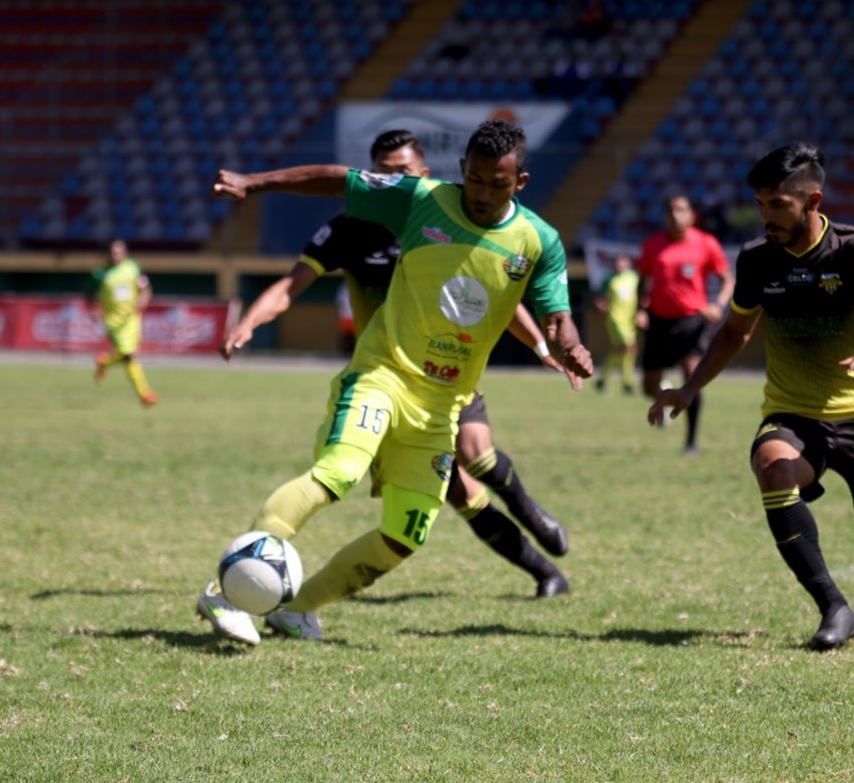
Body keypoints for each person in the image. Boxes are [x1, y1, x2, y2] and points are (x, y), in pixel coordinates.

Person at [198, 120, 594, 645]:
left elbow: (554, 312)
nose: (482, 193)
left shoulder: (539, 241)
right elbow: (337, 178)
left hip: (442, 404)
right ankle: (224, 592)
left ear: (519, 182)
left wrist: (569, 343)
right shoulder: (420, 197)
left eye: (497, 184)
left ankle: (297, 609)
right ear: (461, 171)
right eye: (475, 179)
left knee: (407, 531)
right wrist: (254, 183)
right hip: (382, 374)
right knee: (339, 471)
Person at [649, 143, 854, 650]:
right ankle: (835, 608)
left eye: (778, 204)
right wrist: (688, 389)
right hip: (793, 414)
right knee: (773, 466)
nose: (767, 216)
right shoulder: (757, 260)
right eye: (761, 204)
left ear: (813, 201)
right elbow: (734, 333)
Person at [636, 194, 734, 454]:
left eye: (681, 210)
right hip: (658, 320)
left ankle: (691, 442)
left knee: (692, 377)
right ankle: (664, 393)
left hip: (692, 321)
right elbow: (642, 279)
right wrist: (640, 308)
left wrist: (718, 305)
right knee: (647, 386)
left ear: (692, 216)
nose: (675, 215)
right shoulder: (653, 244)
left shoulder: (706, 243)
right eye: (670, 211)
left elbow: (727, 280)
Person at [87, 238, 159, 407]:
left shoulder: (133, 267)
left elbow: (145, 288)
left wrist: (143, 300)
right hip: (113, 322)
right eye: (113, 253)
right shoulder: (99, 274)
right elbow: (89, 296)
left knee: (130, 356)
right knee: (130, 356)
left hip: (132, 319)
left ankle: (104, 361)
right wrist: (94, 310)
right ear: (107, 254)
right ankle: (145, 394)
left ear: (125, 253)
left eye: (119, 252)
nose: (116, 256)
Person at [593, 252, 639, 395]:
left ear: (628, 263)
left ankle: (602, 379)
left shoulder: (634, 278)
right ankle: (627, 383)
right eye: (617, 262)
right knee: (628, 347)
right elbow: (598, 297)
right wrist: (601, 305)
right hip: (615, 319)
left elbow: (643, 293)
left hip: (630, 321)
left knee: (622, 350)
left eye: (622, 262)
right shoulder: (609, 280)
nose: (620, 265)